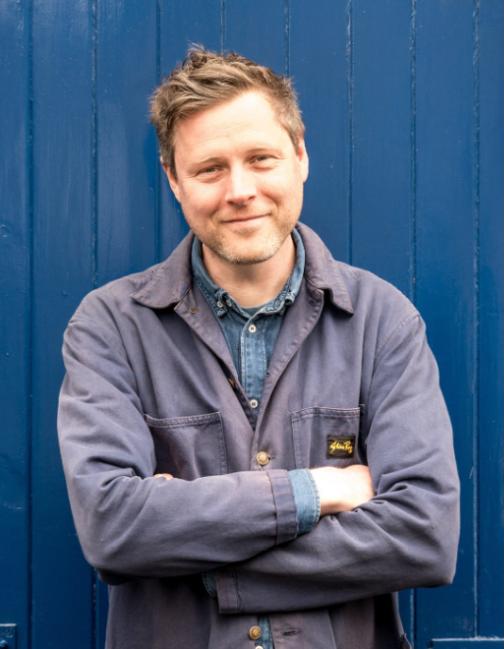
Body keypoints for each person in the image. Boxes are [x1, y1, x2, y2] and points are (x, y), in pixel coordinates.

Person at [57, 47, 459, 649]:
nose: (240, 190)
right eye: (210, 168)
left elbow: (424, 534)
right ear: (173, 179)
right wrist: (319, 491)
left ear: (300, 157)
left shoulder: (381, 319)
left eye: (260, 158)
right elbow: (113, 528)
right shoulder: (111, 326)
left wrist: (199, 553)